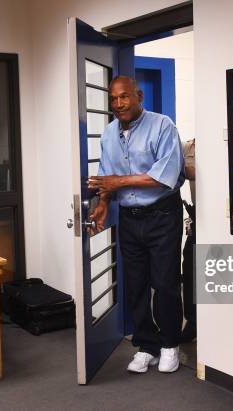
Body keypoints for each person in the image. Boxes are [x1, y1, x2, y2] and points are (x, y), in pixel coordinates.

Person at [87, 76, 185, 374]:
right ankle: (147, 346)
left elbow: (163, 175)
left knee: (165, 283)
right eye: (113, 99)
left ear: (138, 95)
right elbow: (106, 177)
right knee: (135, 285)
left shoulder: (162, 126)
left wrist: (118, 181)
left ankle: (170, 344)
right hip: (129, 219)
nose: (118, 104)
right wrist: (104, 203)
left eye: (124, 97)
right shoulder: (107, 134)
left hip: (162, 215)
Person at [181, 138, 195, 343]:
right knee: (190, 265)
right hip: (198, 217)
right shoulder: (186, 147)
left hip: (223, 218)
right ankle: (192, 322)